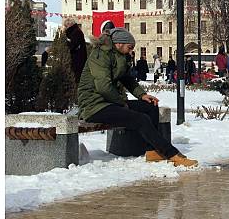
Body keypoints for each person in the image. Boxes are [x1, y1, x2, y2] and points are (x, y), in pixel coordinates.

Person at [77, 27, 197, 166]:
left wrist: (142, 95)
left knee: (150, 106)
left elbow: (127, 79)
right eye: (130, 47)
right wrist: (123, 103)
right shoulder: (99, 55)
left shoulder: (119, 56)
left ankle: (152, 151)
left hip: (109, 102)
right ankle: (171, 154)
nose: (131, 50)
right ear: (119, 44)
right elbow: (103, 87)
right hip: (94, 106)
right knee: (140, 119)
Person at [63, 18, 88, 83]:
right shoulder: (76, 31)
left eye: (66, 26)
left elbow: (73, 46)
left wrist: (66, 43)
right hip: (79, 59)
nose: (65, 28)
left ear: (69, 25)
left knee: (76, 77)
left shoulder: (76, 32)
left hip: (77, 60)